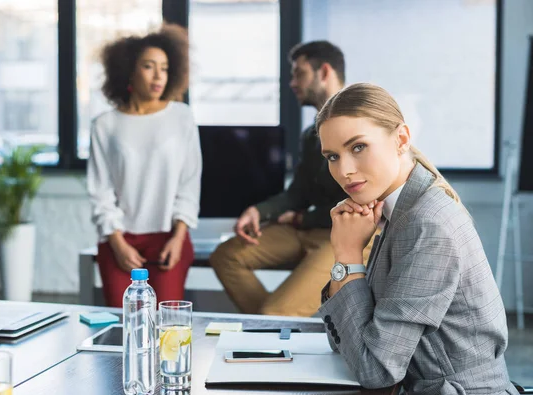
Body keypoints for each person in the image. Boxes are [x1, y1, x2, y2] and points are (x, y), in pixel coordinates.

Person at [316, 83, 520, 395]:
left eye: (358, 147)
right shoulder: (398, 209)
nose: (344, 170)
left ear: (401, 139)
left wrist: (347, 255)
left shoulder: (427, 224)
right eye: (332, 156)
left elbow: (376, 368)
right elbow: (351, 341)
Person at [210, 41, 376, 317]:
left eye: (299, 73)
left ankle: (275, 321)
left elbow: (361, 205)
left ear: (324, 72)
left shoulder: (363, 126)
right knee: (226, 256)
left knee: (274, 312)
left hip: (348, 236)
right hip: (308, 230)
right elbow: (298, 193)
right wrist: (259, 211)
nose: (292, 83)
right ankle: (277, 326)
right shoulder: (312, 134)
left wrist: (302, 219)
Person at [87, 25, 201, 307]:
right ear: (129, 71)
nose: (158, 75)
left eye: (164, 67)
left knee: (166, 326)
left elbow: (190, 182)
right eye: (149, 66)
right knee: (124, 328)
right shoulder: (105, 125)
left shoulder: (182, 118)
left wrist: (178, 237)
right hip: (119, 242)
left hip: (169, 240)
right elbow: (100, 190)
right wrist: (116, 242)